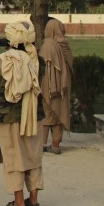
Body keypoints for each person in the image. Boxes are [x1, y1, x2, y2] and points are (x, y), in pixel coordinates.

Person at [0, 20, 44, 206]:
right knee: (33, 158)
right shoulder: (36, 61)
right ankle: (34, 201)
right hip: (34, 117)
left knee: (15, 159)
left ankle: (18, 203)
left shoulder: (5, 62)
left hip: (11, 118)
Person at [39, 18, 73, 155]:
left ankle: (40, 144)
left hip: (48, 86)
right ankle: (55, 145)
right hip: (63, 87)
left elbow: (43, 67)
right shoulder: (65, 46)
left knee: (46, 115)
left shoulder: (47, 45)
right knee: (60, 113)